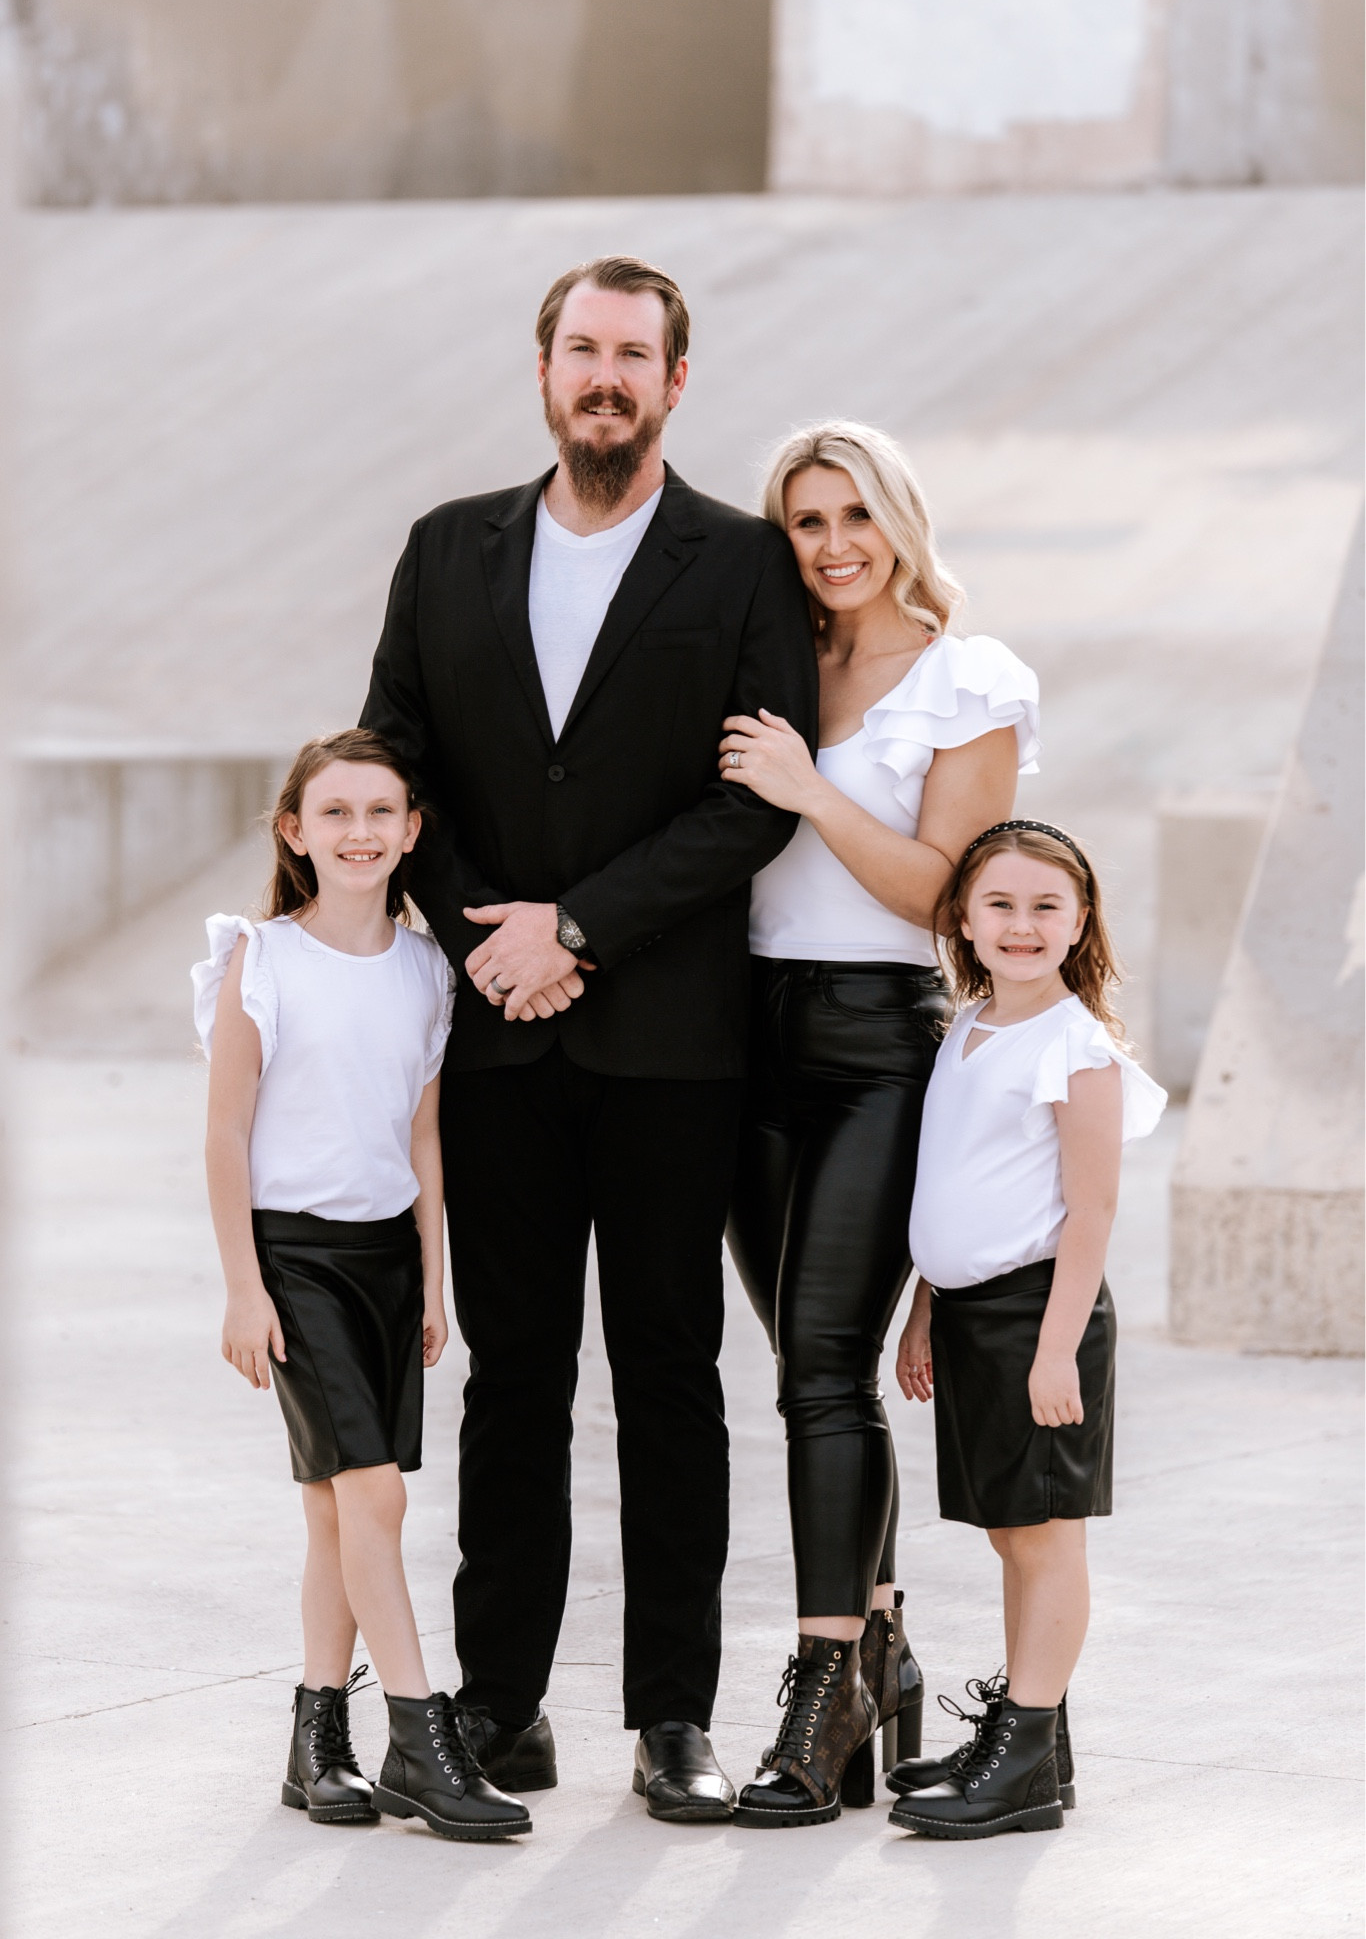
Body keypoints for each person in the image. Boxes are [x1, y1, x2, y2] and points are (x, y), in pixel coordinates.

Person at [360, 256, 819, 1821]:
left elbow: (755, 799)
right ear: (543, 369)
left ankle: (671, 1715)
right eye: (581, 348)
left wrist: (579, 928)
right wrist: (493, 939)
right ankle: (499, 1706)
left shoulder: (742, 562)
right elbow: (394, 770)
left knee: (671, 1377)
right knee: (513, 1381)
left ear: (675, 382)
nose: (604, 376)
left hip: (672, 1045)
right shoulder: (446, 549)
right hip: (499, 1039)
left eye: (633, 353)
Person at [718, 422, 1040, 1827]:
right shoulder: (771, 662)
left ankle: (818, 1688)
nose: (834, 543)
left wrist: (807, 790)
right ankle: (882, 1650)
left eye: (856, 514)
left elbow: (941, 893)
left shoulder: (971, 680)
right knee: (818, 1365)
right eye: (806, 521)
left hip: (875, 1046)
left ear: (900, 522)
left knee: (819, 1372)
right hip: (743, 1039)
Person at [194, 728, 531, 1843]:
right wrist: (244, 1288)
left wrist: (431, 1278)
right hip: (294, 1262)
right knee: (375, 1496)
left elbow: (422, 1132)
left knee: (335, 1509)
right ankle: (420, 1741)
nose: (359, 831)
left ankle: (316, 1741)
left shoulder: (427, 969)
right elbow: (226, 1132)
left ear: (413, 830)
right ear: (294, 831)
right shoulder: (260, 957)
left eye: (381, 811)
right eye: (334, 812)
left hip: (387, 1258)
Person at [886, 820, 1165, 1839]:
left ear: (1081, 922)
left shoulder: (1075, 1048)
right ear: (963, 919)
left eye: (1047, 906)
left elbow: (1090, 1211)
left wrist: (1055, 1351)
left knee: (1045, 1540)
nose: (1022, 924)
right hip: (971, 1316)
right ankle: (1032, 1743)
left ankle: (1022, 1764)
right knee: (1011, 1532)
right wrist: (925, 1304)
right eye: (999, 904)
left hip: (1040, 1317)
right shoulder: (966, 1027)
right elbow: (955, 1179)